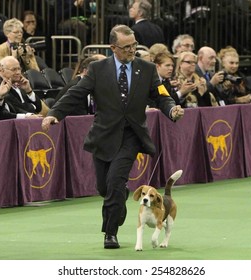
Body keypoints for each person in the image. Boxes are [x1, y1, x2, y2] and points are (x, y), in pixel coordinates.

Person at [41, 24, 184, 249]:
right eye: (126, 47)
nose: (132, 50)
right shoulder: (98, 69)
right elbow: (76, 93)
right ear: (113, 47)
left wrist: (172, 109)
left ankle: (110, 233)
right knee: (104, 188)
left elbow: (162, 95)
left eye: (134, 45)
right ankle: (119, 199)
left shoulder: (146, 69)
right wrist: (54, 114)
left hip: (131, 136)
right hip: (103, 135)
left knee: (115, 182)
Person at [0, 52, 40, 120]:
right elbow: (3, 112)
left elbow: (39, 107)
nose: (18, 72)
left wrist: (29, 91)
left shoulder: (22, 83)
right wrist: (26, 115)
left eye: (19, 69)